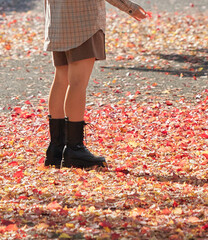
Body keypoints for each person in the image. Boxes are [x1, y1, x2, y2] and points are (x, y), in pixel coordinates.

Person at [43, 0, 149, 168]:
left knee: (61, 79)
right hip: (83, 21)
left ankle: (56, 148)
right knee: (77, 82)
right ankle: (74, 149)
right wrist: (130, 8)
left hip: (57, 21)